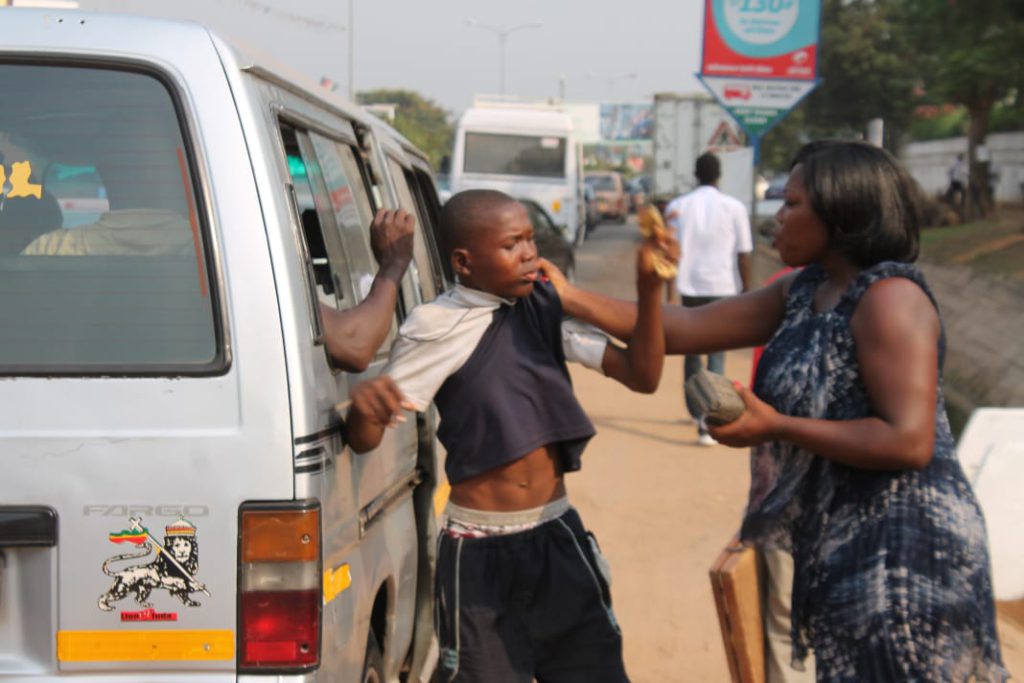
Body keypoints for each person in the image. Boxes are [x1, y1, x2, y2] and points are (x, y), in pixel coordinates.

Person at [540, 141, 1006, 682]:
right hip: (841, 537)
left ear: (842, 212)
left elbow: (908, 440)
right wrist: (567, 295)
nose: (777, 216)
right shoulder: (807, 289)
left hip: (903, 552)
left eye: (793, 203)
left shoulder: (889, 299)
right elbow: (686, 327)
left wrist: (776, 426)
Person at [345, 188, 671, 682]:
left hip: (556, 535)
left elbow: (643, 376)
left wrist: (650, 290)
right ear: (465, 261)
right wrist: (365, 410)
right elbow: (367, 434)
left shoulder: (544, 308)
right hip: (478, 552)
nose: (529, 254)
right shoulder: (436, 326)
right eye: (511, 244)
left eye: (531, 241)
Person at [664, 151, 752, 445]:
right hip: (723, 287)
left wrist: (668, 293)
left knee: (691, 352)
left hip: (689, 287)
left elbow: (667, 253)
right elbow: (744, 254)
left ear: (695, 174)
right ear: (718, 175)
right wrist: (748, 293)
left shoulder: (678, 207)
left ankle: (695, 410)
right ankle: (709, 421)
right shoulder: (734, 207)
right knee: (716, 354)